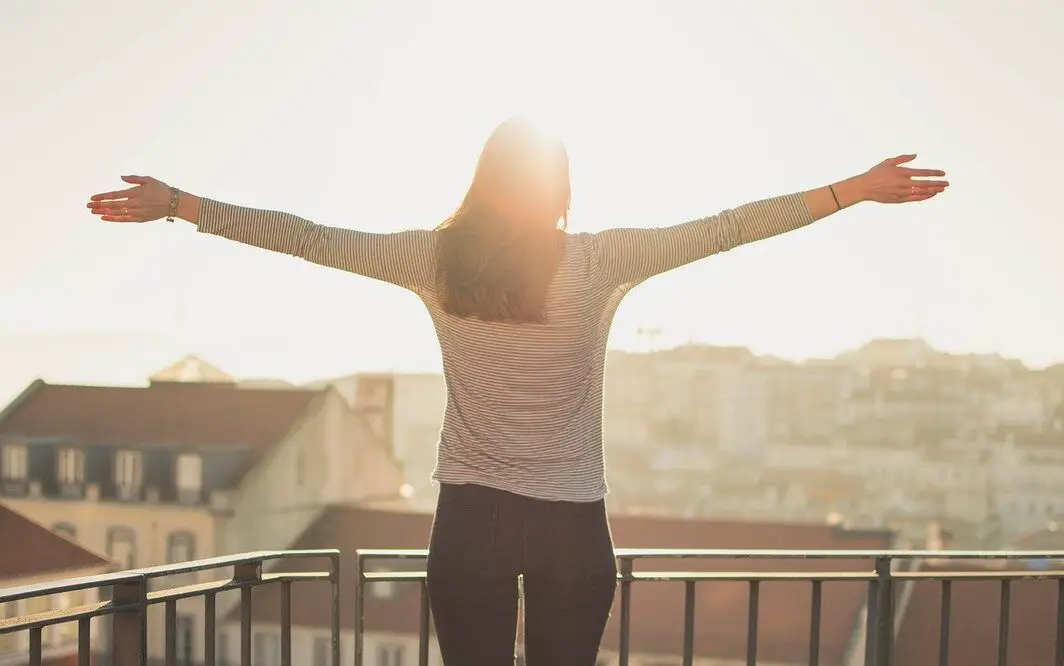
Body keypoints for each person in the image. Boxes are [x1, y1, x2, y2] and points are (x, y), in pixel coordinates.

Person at [87, 117, 948, 665]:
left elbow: (309, 239)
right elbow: (725, 229)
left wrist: (181, 205)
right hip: (575, 524)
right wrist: (851, 193)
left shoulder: (433, 258)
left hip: (473, 520)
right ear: (560, 188)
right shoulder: (600, 259)